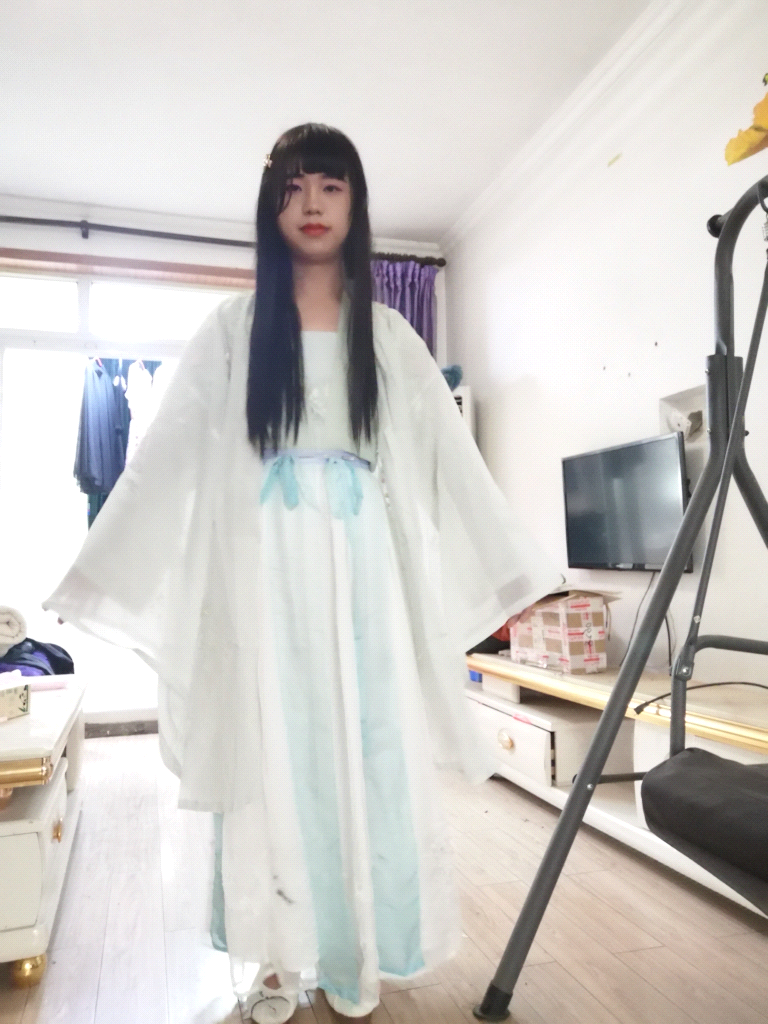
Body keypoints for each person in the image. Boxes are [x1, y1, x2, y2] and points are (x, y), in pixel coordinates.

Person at [44, 124, 561, 1023]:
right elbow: (166, 456)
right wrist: (101, 571)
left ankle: (357, 951)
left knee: (368, 748)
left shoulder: (387, 333)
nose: (312, 203)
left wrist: (513, 561)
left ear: (355, 203)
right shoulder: (234, 329)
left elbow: (449, 457)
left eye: (330, 185)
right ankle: (279, 955)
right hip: (264, 571)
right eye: (293, 186)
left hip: (363, 573)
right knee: (275, 749)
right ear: (269, 204)